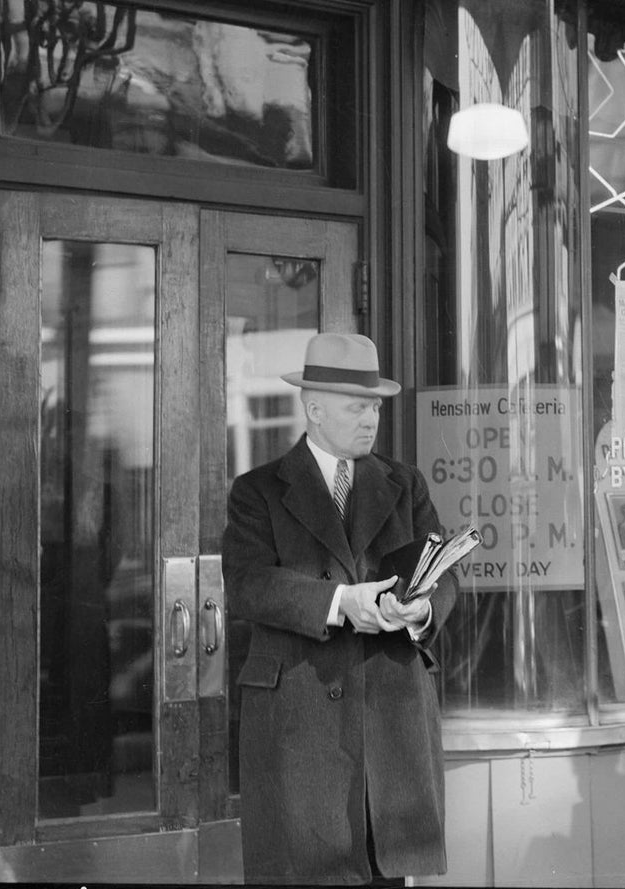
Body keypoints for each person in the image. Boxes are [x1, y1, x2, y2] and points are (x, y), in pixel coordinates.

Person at [222, 332, 458, 885]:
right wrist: (341, 603)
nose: (371, 418)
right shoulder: (256, 492)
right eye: (358, 407)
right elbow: (249, 585)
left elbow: (445, 574)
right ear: (315, 408)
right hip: (300, 732)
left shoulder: (404, 484)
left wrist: (420, 609)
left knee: (383, 872)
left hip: (391, 732)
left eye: (375, 406)